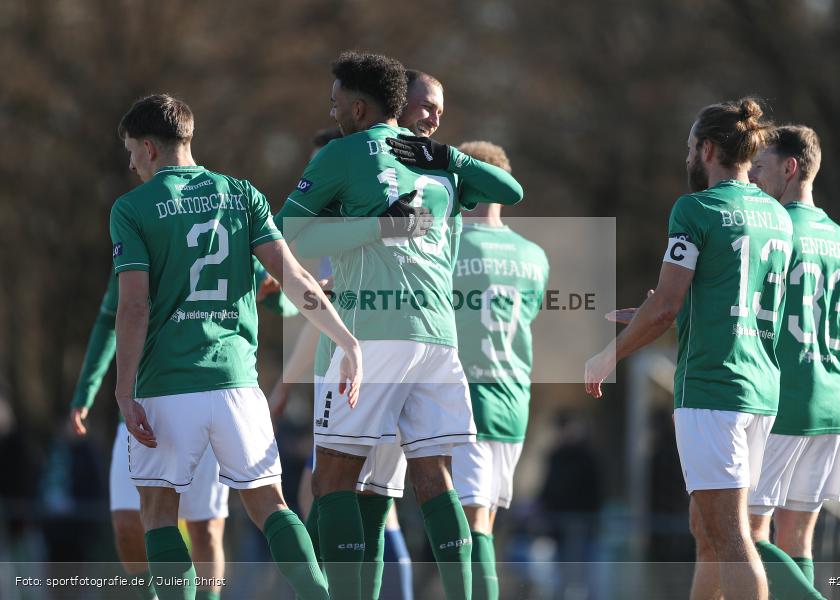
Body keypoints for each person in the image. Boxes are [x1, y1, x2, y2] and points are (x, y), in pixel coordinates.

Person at [274, 52, 523, 600]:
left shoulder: (344, 152)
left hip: (371, 337)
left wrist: (373, 228)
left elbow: (289, 234)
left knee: (333, 481)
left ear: (359, 107)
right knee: (430, 479)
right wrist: (442, 156)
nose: (331, 109)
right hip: (435, 338)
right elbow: (512, 191)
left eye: (336, 100)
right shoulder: (438, 165)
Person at [111, 93, 361, 600]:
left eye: (131, 152)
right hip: (236, 386)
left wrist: (122, 389)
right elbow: (293, 278)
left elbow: (134, 307)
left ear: (150, 149)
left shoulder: (132, 208)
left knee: (159, 512)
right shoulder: (242, 193)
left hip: (168, 386)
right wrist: (346, 339)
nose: (131, 163)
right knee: (272, 505)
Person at [584, 98, 791, 600]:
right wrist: (667, 314)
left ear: (707, 148)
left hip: (713, 388)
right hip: (759, 388)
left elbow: (664, 308)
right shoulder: (776, 215)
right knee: (708, 531)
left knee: (732, 538)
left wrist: (607, 355)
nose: (688, 157)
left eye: (689, 148)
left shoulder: (695, 208)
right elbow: (725, 298)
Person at [71, 260, 294, 600]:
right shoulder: (139, 229)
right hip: (145, 405)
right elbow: (111, 316)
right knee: (129, 526)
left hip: (209, 395)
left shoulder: (226, 218)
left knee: (205, 528)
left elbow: (277, 295)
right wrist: (85, 391)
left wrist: (285, 295)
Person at [746, 125, 840, 597]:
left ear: (790, 167)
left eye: (759, 168)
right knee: (798, 539)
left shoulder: (774, 234)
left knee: (743, 534)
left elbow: (746, 319)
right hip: (833, 409)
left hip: (783, 401)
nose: (753, 178)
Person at [450, 140, 548, 600]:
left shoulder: (447, 246)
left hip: (468, 395)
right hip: (513, 397)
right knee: (482, 518)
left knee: (469, 523)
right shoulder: (533, 256)